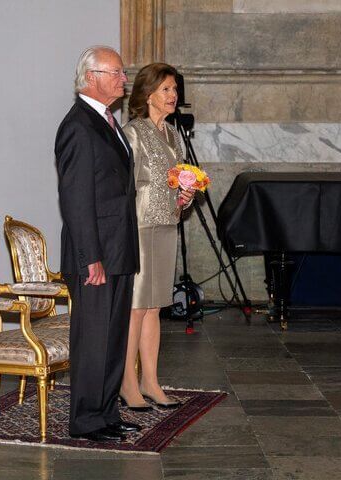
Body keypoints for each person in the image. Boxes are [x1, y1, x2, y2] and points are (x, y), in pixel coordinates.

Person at [55, 46, 140, 443]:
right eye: (117, 72)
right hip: (96, 256)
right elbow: (75, 200)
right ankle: (86, 420)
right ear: (92, 77)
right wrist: (91, 258)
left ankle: (106, 413)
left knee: (113, 338)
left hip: (118, 249)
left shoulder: (107, 121)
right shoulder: (78, 126)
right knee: (93, 340)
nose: (124, 79)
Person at [119, 63, 194, 411]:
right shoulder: (133, 132)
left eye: (175, 89)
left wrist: (186, 195)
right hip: (141, 226)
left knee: (154, 308)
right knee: (136, 308)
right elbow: (125, 186)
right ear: (148, 95)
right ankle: (127, 382)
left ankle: (150, 380)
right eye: (166, 89)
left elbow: (176, 179)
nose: (173, 95)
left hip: (167, 225)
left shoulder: (174, 134)